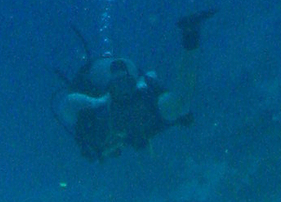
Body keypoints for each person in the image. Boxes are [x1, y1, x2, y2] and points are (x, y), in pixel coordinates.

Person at [55, 9, 215, 161]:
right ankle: (191, 35)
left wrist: (99, 102)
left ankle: (190, 35)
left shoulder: (93, 124)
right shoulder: (143, 117)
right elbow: (171, 98)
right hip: (129, 84)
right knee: (177, 106)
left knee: (177, 106)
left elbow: (68, 104)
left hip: (114, 87)